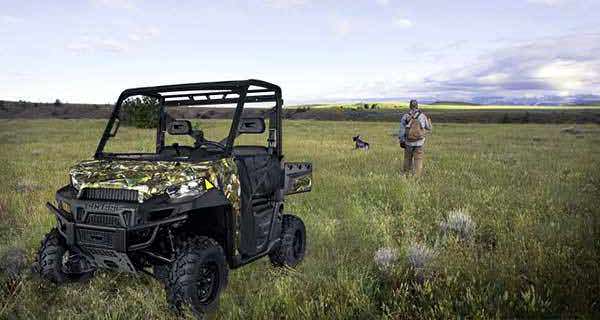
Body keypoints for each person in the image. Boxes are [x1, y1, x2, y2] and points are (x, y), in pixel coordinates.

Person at [398, 100, 432, 176]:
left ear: (410, 106)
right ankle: (417, 176)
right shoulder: (422, 116)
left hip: (408, 142)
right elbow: (429, 128)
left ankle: (406, 175)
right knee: (418, 160)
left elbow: (401, 130)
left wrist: (401, 140)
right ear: (417, 106)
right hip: (419, 142)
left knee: (407, 159)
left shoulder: (406, 116)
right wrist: (429, 121)